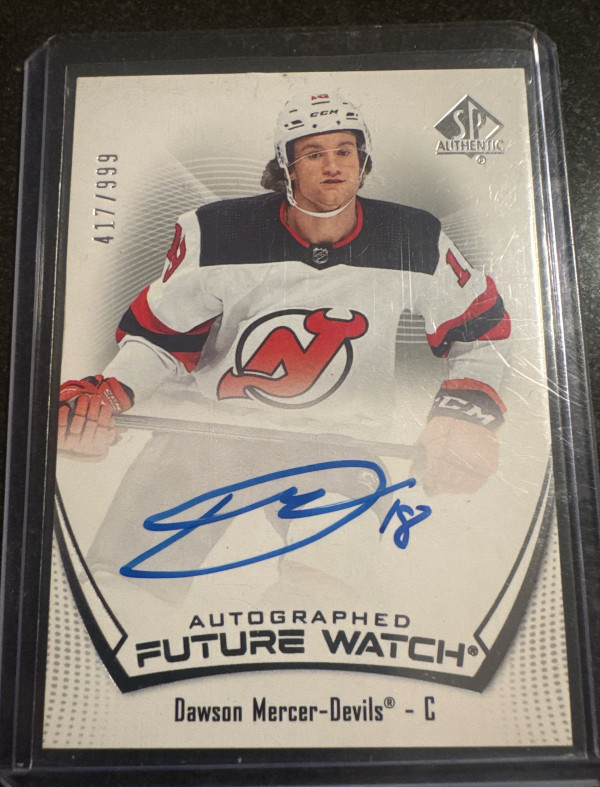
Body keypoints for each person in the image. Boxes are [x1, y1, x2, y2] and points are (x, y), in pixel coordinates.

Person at [58, 90, 510, 495]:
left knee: (333, 565)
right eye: (313, 154)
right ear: (285, 168)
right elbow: (161, 338)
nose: (333, 166)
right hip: (210, 435)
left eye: (345, 151)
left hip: (343, 445)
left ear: (362, 160)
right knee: (122, 562)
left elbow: (481, 330)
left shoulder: (413, 235)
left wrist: (465, 415)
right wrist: (110, 393)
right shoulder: (217, 230)